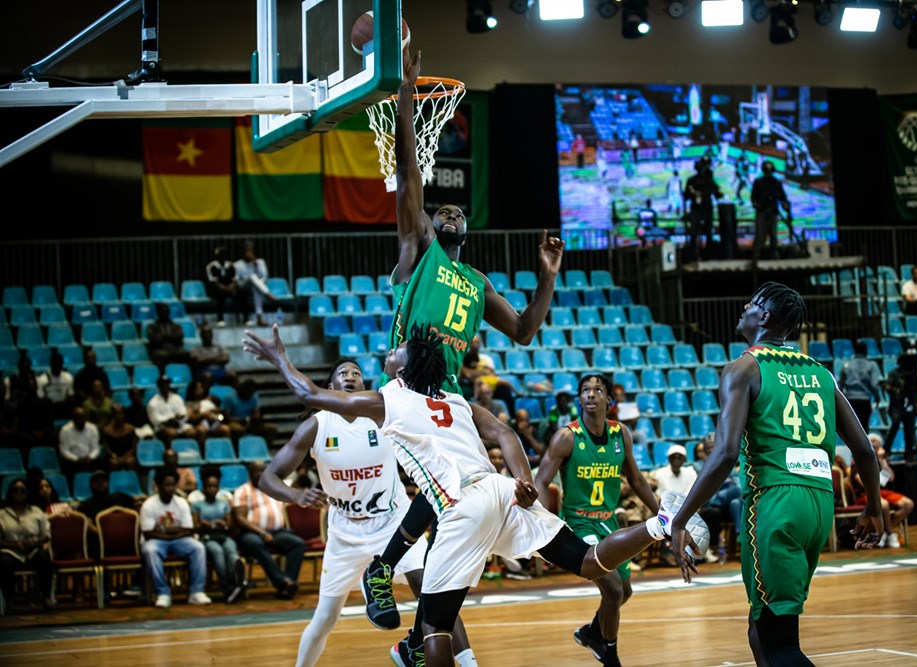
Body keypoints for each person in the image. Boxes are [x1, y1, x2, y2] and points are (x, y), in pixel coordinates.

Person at [241, 324, 688, 667]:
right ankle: (659, 524)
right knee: (589, 562)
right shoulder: (454, 401)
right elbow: (505, 431)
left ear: (405, 368)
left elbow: (309, 393)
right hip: (500, 489)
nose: (390, 351)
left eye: (397, 351)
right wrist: (524, 479)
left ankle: (402, 608)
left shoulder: (390, 399)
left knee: (433, 626)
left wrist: (280, 359)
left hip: (462, 507)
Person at [359, 47, 565, 637]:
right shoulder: (415, 252)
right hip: (409, 388)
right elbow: (410, 182)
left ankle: (420, 627)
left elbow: (525, 330)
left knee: (465, 492)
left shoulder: (476, 282)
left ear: (466, 232)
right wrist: (404, 95)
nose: (446, 213)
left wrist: (546, 278)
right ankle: (384, 572)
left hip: (449, 395)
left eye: (456, 211)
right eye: (437, 210)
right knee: (450, 488)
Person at [666, 281, 884, 667]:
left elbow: (725, 453)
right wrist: (874, 509)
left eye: (753, 302)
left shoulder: (743, 368)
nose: (745, 305)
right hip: (818, 505)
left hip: (774, 501)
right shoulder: (821, 372)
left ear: (764, 316)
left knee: (782, 644)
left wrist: (681, 517)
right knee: (760, 624)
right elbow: (864, 449)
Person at [255, 358, 475, 667]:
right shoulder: (316, 426)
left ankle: (465, 662)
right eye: (342, 372)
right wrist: (297, 495)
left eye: (357, 374)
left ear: (363, 386)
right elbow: (267, 478)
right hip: (346, 532)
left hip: (393, 524)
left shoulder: (383, 414)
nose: (351, 376)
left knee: (433, 592)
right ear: (331, 388)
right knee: (325, 618)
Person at [534, 374, 660, 667]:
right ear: (580, 399)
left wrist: (660, 513)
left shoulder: (621, 434)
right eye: (585, 390)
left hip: (608, 524)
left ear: (609, 400)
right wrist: (543, 523)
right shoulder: (566, 437)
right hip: (579, 525)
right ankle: (610, 656)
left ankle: (592, 632)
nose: (591, 394)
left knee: (624, 591)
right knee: (613, 590)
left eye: (598, 390)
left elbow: (637, 479)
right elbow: (541, 481)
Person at [139, 467, 213, 608]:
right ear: (158, 486)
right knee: (150, 550)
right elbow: (148, 533)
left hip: (178, 540)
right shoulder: (149, 505)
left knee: (198, 547)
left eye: (173, 485)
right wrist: (174, 532)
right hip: (156, 541)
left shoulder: (181, 502)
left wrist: (163, 530)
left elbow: (188, 530)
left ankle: (196, 592)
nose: (170, 488)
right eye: (166, 485)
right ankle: (162, 593)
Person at [232, 460, 305, 600]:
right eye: (256, 471)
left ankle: (288, 585)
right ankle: (282, 581)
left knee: (297, 543)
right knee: (255, 543)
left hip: (276, 532)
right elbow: (240, 519)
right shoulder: (243, 491)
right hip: (251, 533)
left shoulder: (272, 488)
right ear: (249, 473)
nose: (259, 474)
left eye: (262, 471)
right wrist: (261, 533)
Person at [190, 468, 245, 604]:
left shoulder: (224, 503)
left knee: (232, 552)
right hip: (207, 537)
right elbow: (194, 527)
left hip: (223, 536)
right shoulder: (197, 505)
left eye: (215, 486)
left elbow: (230, 525)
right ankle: (227, 589)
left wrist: (224, 524)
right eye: (209, 486)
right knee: (218, 553)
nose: (212, 489)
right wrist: (202, 525)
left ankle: (237, 583)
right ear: (204, 487)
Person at [0, 478, 55, 612]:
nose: (19, 493)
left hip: (32, 550)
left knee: (44, 557)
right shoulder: (2, 514)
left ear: (27, 493)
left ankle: (47, 597)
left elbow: (46, 534)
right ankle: (10, 600)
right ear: (10, 493)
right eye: (16, 490)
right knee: (3, 562)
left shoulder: (36, 511)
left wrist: (35, 542)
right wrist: (15, 545)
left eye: (22, 490)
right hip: (11, 551)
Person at [851, 434, 914, 548]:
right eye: (872, 441)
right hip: (867, 492)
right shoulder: (858, 460)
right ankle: (890, 533)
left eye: (877, 442)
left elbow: (891, 477)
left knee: (908, 504)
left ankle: (884, 531)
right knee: (882, 504)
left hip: (884, 491)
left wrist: (881, 460)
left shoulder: (882, 460)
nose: (874, 444)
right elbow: (860, 481)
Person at [837, 340, 883, 432]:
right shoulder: (871, 365)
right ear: (866, 351)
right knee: (864, 427)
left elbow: (840, 385)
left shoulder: (847, 365)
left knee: (852, 429)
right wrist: (878, 397)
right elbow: (874, 384)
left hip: (850, 400)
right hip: (864, 400)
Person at [750, 160, 790, 262]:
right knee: (760, 235)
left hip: (773, 211)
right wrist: (757, 205)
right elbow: (754, 197)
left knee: (773, 234)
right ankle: (757, 255)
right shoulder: (758, 182)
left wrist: (785, 206)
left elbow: (782, 197)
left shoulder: (776, 183)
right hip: (762, 211)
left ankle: (773, 254)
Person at [683, 156, 721, 262]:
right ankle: (694, 255)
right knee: (695, 232)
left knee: (706, 232)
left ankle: (707, 254)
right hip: (696, 209)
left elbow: (716, 193)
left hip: (706, 209)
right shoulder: (692, 180)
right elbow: (686, 195)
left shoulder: (708, 180)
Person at [233, 241, 277, 326]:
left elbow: (264, 276)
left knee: (255, 285)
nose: (248, 252)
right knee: (252, 277)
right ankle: (267, 293)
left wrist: (255, 263)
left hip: (256, 287)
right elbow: (236, 280)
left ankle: (259, 318)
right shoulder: (237, 264)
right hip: (243, 286)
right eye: (246, 250)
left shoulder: (260, 262)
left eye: (250, 249)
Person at [147, 375, 197, 446]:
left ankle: (187, 451)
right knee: (171, 433)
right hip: (162, 428)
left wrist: (179, 417)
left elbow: (183, 414)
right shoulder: (153, 402)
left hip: (179, 425)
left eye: (167, 384)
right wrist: (172, 418)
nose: (165, 386)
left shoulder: (177, 398)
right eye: (163, 384)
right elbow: (157, 422)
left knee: (192, 431)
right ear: (159, 386)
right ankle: (172, 453)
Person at [146, 302, 190, 373]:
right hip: (160, 351)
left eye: (166, 311)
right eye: (162, 311)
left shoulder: (175, 326)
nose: (164, 313)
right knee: (161, 356)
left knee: (187, 354)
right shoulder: (152, 327)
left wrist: (164, 336)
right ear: (158, 313)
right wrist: (170, 337)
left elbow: (179, 337)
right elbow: (155, 340)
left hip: (174, 350)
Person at [58, 406, 102, 476]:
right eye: (77, 418)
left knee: (101, 463)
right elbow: (64, 451)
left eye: (82, 417)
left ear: (86, 418)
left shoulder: (92, 428)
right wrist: (76, 459)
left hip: (89, 460)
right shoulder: (65, 430)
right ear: (73, 418)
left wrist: (90, 457)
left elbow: (96, 448)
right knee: (65, 465)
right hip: (73, 461)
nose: (80, 420)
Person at [205, 245, 239, 326]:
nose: (222, 257)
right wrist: (225, 289)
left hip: (229, 288)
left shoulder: (231, 265)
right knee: (220, 295)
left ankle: (244, 319)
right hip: (217, 289)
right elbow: (213, 282)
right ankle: (220, 319)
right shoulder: (211, 266)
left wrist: (231, 287)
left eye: (224, 254)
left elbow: (234, 280)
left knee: (242, 293)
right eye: (220, 255)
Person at [36, 350, 74, 419]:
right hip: (49, 408)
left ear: (62, 364)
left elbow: (70, 394)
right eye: (55, 363)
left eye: (59, 363)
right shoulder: (42, 379)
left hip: (63, 406)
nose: (57, 365)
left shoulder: (68, 377)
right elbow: (41, 396)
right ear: (51, 364)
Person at [102, 402, 138, 471]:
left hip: (128, 455)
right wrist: (112, 455)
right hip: (113, 456)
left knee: (130, 462)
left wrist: (124, 457)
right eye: (115, 414)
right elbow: (106, 447)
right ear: (112, 415)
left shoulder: (130, 429)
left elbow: (134, 448)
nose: (118, 416)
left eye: (120, 414)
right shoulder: (107, 430)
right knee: (113, 463)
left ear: (124, 415)